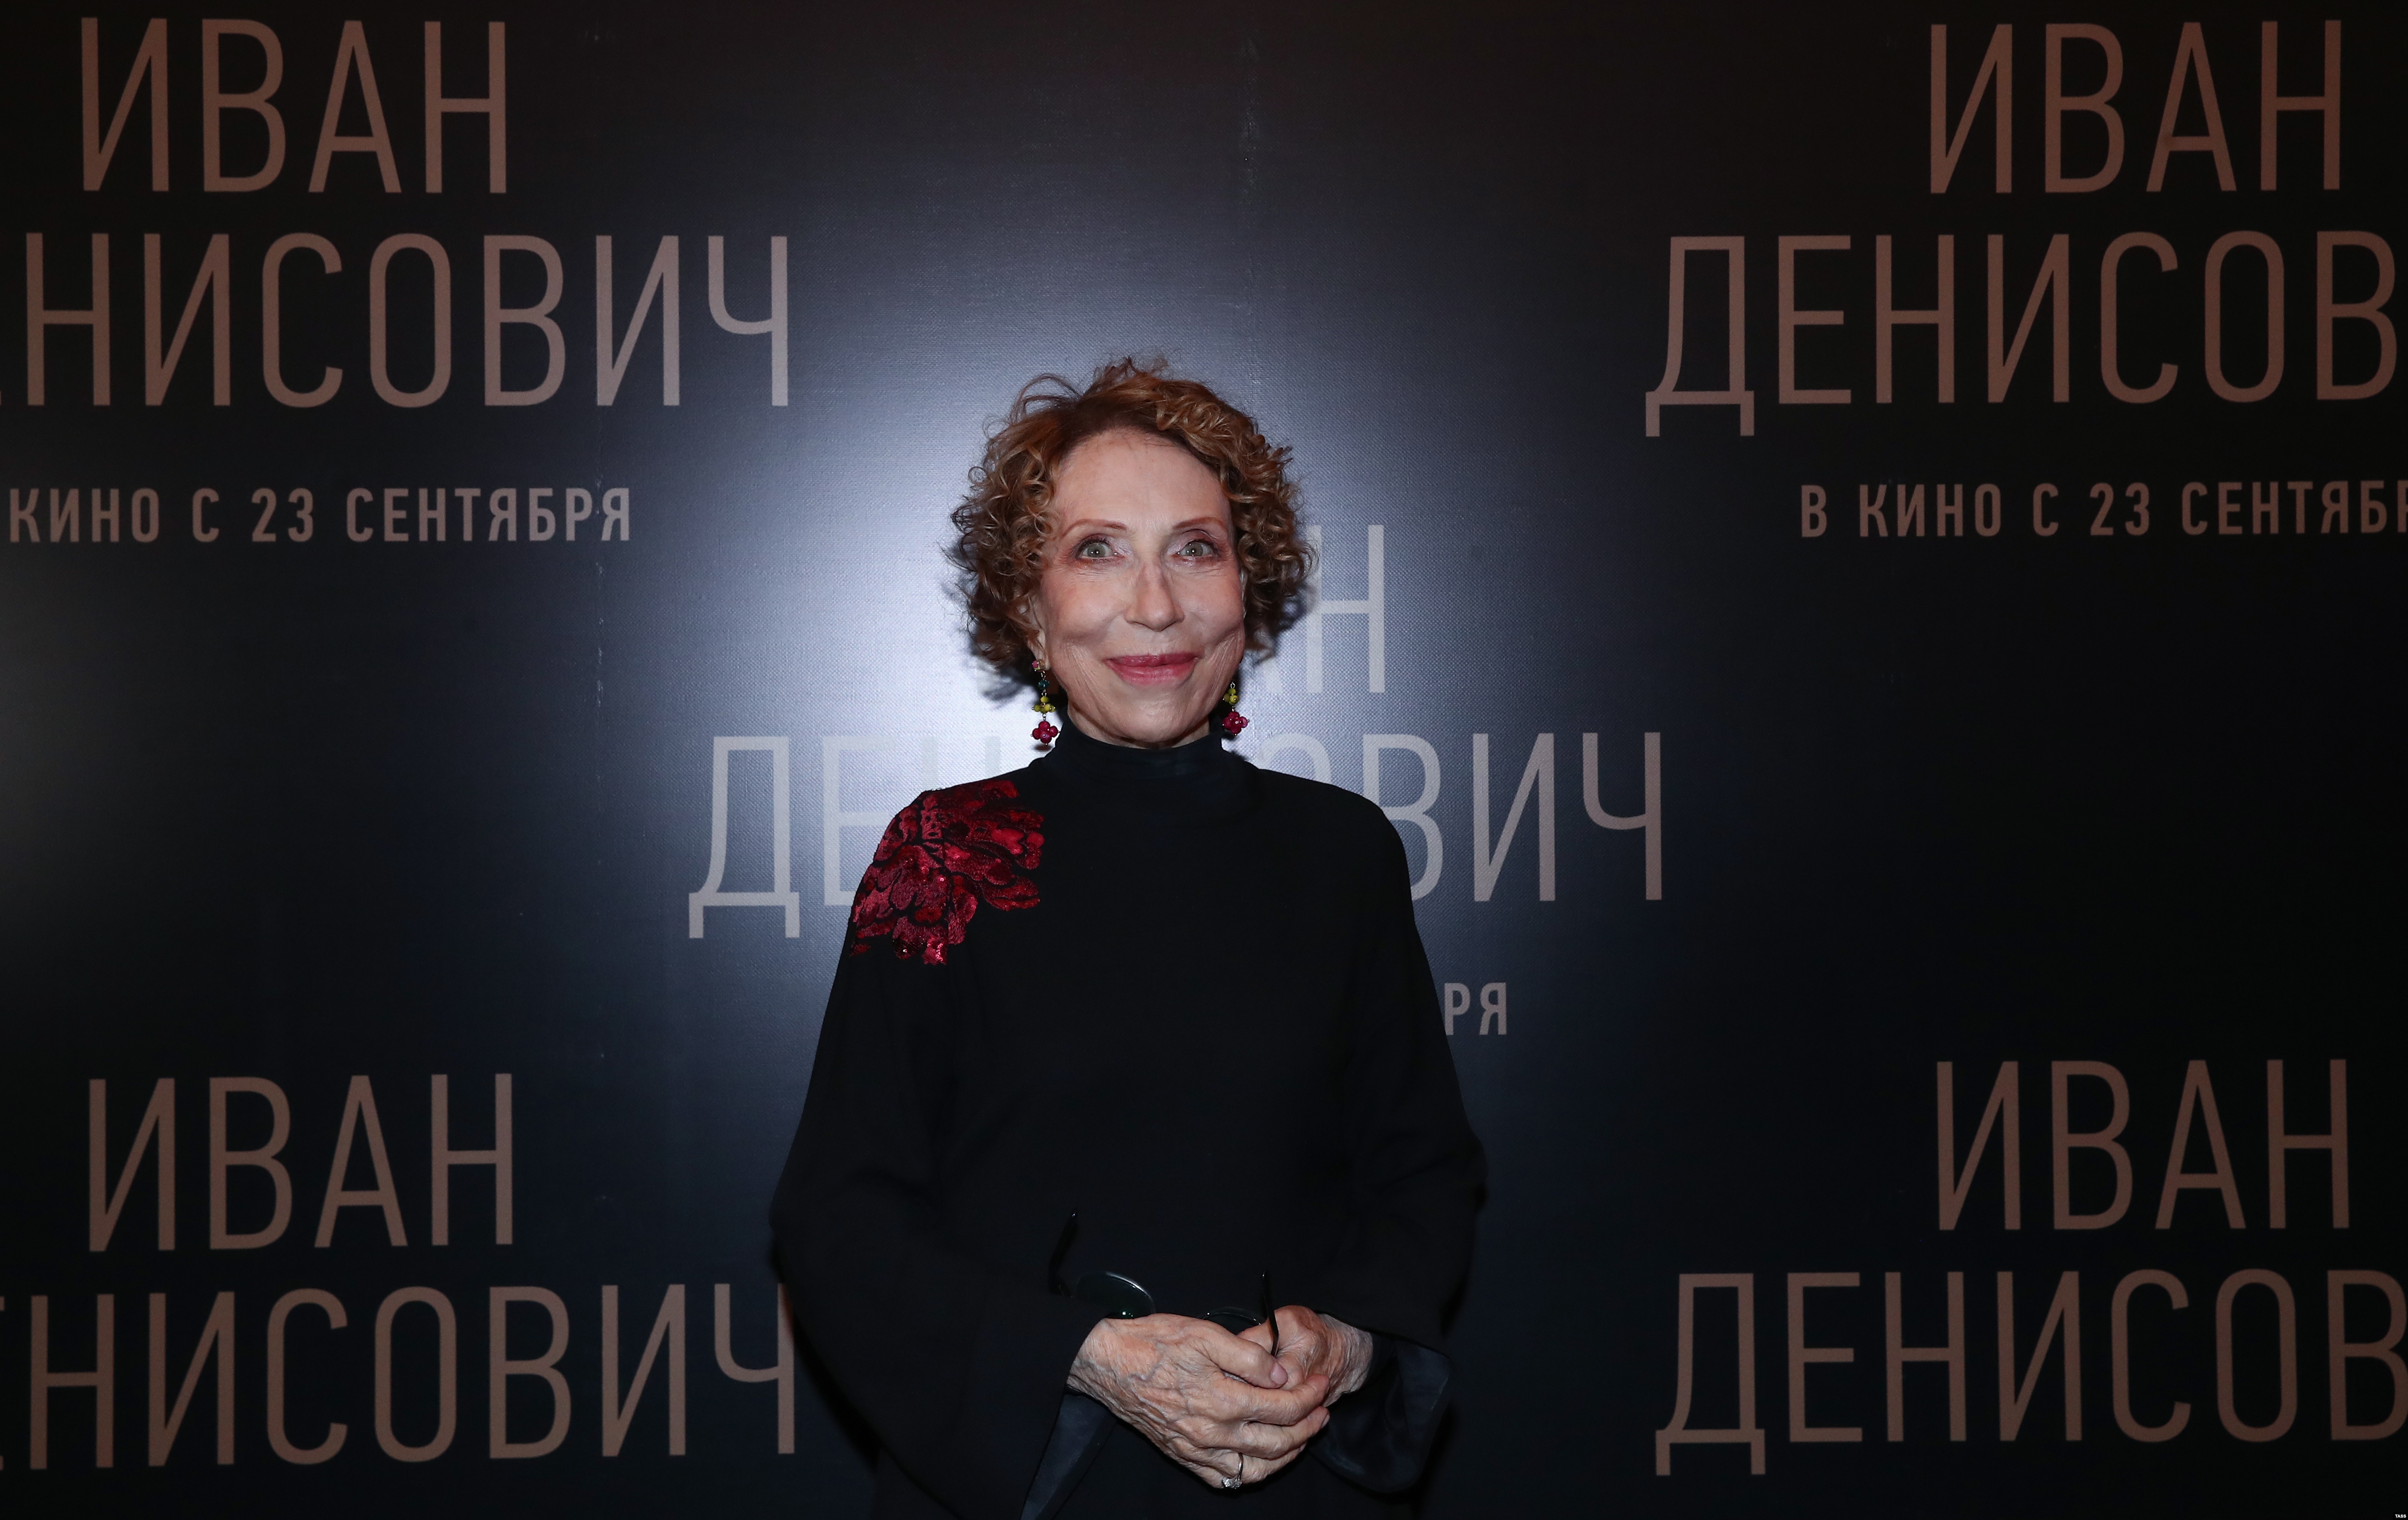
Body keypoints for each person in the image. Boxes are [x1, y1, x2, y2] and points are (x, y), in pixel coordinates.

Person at [772, 359, 1483, 1519]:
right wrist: (1087, 1357)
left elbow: (1421, 1171)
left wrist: (1347, 1339)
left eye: (1195, 548)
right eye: (1097, 550)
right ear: (1029, 607)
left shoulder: (1341, 851)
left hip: (1288, 1476)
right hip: (1029, 1487)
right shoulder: (944, 852)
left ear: (1245, 589)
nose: (1154, 603)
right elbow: (839, 1217)